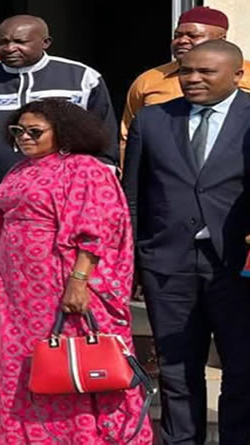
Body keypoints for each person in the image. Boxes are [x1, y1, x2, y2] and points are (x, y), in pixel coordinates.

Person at [0, 99, 153, 443]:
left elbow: (96, 231)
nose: (24, 137)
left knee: (70, 363)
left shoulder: (86, 169)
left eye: (34, 131)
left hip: (58, 283)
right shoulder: (20, 169)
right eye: (18, 130)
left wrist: (78, 282)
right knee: (21, 365)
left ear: (64, 132)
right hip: (16, 291)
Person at [122, 40, 250, 444]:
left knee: (242, 367)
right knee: (177, 369)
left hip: (236, 264)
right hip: (167, 262)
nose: (192, 79)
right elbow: (133, 196)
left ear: (237, 75)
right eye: (186, 71)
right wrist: (132, 260)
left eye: (205, 72)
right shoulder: (152, 119)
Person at [0, 15, 120, 186]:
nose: (10, 48)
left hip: (66, 188)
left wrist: (102, 177)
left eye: (20, 42)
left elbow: (104, 133)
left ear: (46, 43)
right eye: (3, 42)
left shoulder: (82, 78)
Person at [120, 6, 250, 161]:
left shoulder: (246, 74)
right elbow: (128, 136)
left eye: (193, 36)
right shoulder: (148, 80)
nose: (182, 41)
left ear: (221, 39)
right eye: (177, 36)